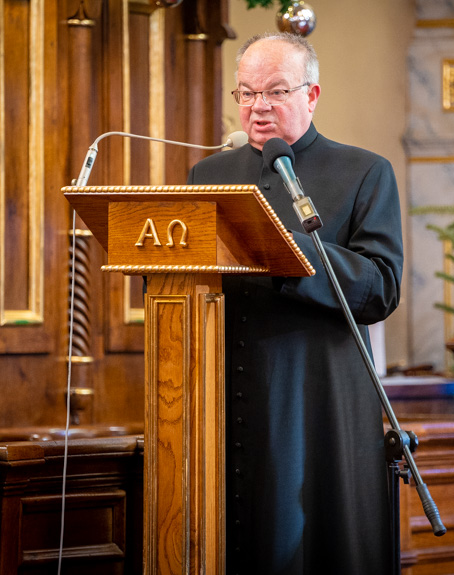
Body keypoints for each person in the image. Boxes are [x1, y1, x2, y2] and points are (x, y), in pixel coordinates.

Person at [187, 32, 403, 574]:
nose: (258, 107)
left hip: (316, 396)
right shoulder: (208, 176)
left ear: (312, 95)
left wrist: (289, 251)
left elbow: (381, 286)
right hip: (220, 391)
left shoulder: (364, 171)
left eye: (276, 91)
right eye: (246, 94)